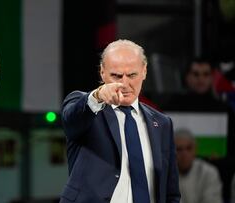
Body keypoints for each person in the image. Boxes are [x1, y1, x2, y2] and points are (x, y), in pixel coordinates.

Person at [60, 39, 180, 203]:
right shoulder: (86, 107)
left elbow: (170, 192)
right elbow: (71, 121)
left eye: (132, 75)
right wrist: (98, 96)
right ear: (102, 72)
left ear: (144, 71)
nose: (124, 83)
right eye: (116, 76)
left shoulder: (162, 123)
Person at [175, 128, 223, 203]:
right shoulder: (166, 175)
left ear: (195, 149)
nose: (184, 154)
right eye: (179, 149)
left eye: (188, 148)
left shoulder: (209, 173)